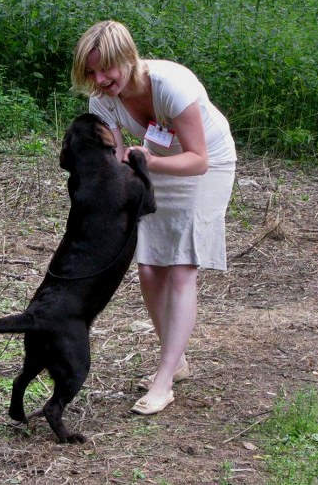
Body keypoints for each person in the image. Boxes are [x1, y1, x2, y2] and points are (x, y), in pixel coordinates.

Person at [71, 20, 236, 415]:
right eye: (90, 72)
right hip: (158, 162)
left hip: (205, 165)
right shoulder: (102, 100)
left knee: (181, 267)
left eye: (106, 68)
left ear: (126, 56)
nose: (99, 79)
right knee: (148, 268)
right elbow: (119, 158)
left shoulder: (170, 85)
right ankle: (175, 358)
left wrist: (143, 163)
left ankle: (163, 379)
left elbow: (198, 160)